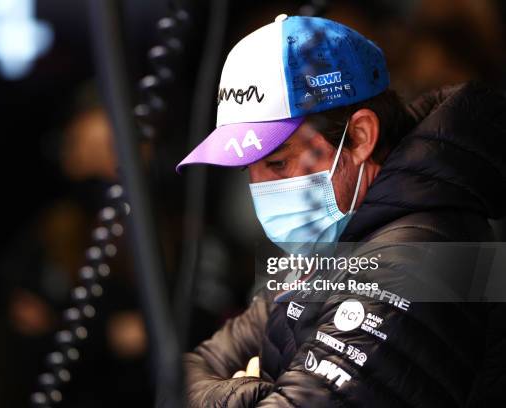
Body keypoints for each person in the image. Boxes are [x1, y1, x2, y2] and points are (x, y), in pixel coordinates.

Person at [176, 15, 506, 407]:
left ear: (361, 136)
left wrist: (235, 390)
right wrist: (248, 394)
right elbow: (181, 372)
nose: (260, 189)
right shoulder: (336, 236)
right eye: (250, 169)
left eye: (279, 163)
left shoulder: (419, 255)